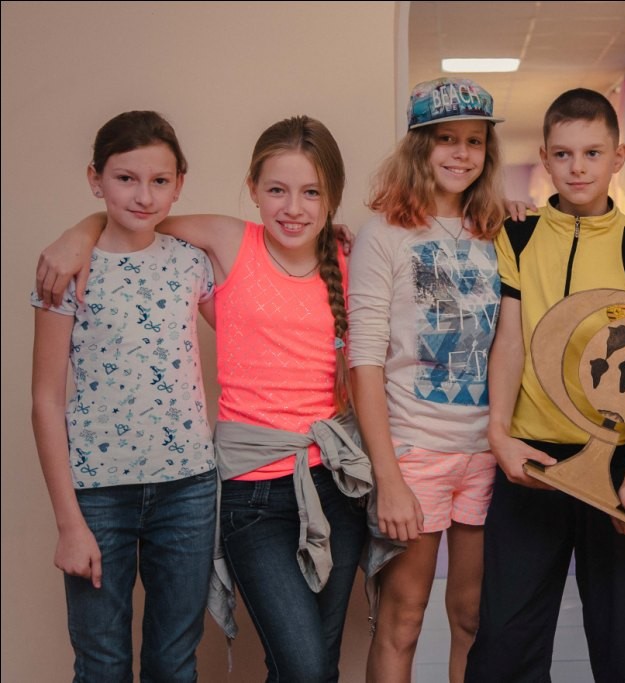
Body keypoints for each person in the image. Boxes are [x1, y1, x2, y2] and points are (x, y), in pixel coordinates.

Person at [36, 115, 371, 683]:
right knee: (109, 663)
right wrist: (82, 229)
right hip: (233, 488)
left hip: (302, 481)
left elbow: (297, 343)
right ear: (252, 189)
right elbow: (138, 219)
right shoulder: (220, 242)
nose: (294, 207)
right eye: (277, 189)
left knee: (305, 666)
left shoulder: (337, 259)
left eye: (312, 192)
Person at [464, 88, 625, 683]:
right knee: (505, 643)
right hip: (531, 462)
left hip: (617, 464)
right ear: (544, 158)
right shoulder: (518, 234)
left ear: (618, 157)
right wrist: (500, 435)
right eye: (562, 154)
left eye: (592, 153)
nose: (577, 167)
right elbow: (509, 341)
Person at [30, 110, 218, 681]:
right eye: (125, 178)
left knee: (173, 662)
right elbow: (45, 400)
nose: (143, 196)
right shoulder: (66, 267)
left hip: (187, 489)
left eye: (159, 180)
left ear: (179, 184)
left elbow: (259, 326)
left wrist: (330, 246)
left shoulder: (191, 262)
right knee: (102, 664)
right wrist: (69, 522)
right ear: (96, 179)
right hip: (97, 496)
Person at [348, 76, 506, 683]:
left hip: (486, 453)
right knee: (404, 618)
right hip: (415, 451)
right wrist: (388, 477)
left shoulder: (499, 231)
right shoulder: (384, 234)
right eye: (446, 139)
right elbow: (364, 360)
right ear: (419, 145)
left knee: (471, 619)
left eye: (474, 140)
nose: (461, 153)